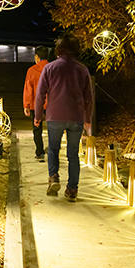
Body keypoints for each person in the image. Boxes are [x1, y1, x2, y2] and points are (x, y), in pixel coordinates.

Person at [34, 34, 93, 202]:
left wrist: (38, 116)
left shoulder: (50, 68)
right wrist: (87, 117)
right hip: (76, 116)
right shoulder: (82, 69)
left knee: (53, 149)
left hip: (55, 116)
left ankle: (53, 177)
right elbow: (88, 97)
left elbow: (40, 95)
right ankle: (72, 189)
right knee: (73, 154)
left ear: (58, 49)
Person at [23, 46, 50, 161]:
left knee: (37, 130)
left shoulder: (31, 70)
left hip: (36, 104)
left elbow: (28, 89)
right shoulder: (53, 69)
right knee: (53, 129)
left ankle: (40, 152)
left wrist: (27, 105)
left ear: (37, 57)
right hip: (52, 104)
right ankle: (53, 151)